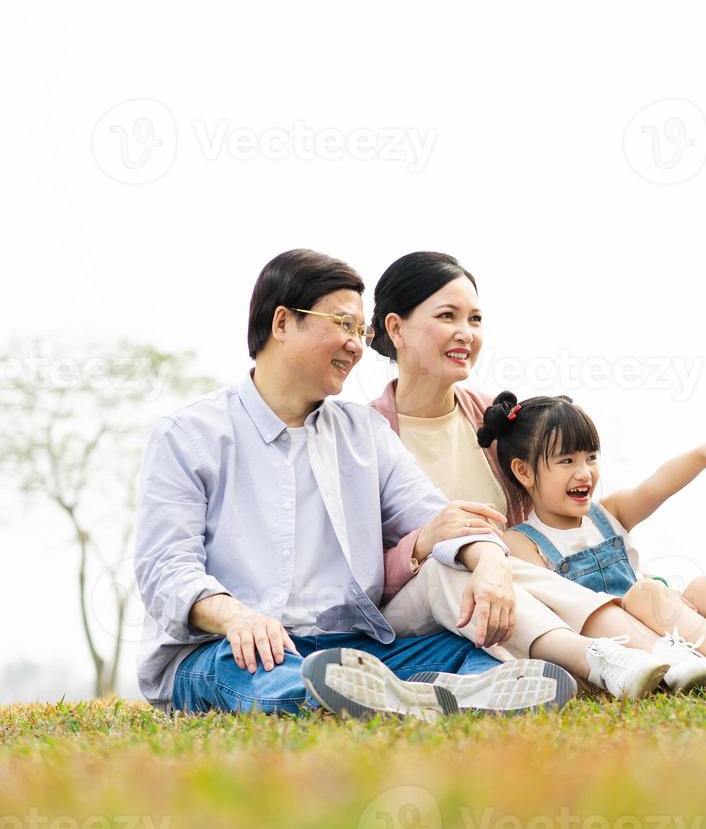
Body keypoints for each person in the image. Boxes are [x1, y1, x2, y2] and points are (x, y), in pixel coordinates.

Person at [367, 252, 706, 693]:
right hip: (437, 593)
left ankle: (695, 657)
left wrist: (699, 455)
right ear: (397, 327)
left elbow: (596, 486)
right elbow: (357, 568)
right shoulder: (368, 435)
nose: (466, 332)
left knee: (657, 588)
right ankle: (653, 656)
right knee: (484, 561)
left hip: (517, 598)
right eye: (446, 316)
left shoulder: (497, 418)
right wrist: (430, 544)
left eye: (475, 319)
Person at [133, 249, 572, 720]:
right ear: (283, 323)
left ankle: (402, 698)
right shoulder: (189, 435)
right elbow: (165, 567)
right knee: (249, 668)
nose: (358, 346)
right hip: (230, 646)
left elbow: (435, 517)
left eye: (360, 332)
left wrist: (488, 562)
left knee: (461, 652)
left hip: (356, 653)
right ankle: (397, 701)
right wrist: (236, 617)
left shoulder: (364, 433)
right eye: (342, 325)